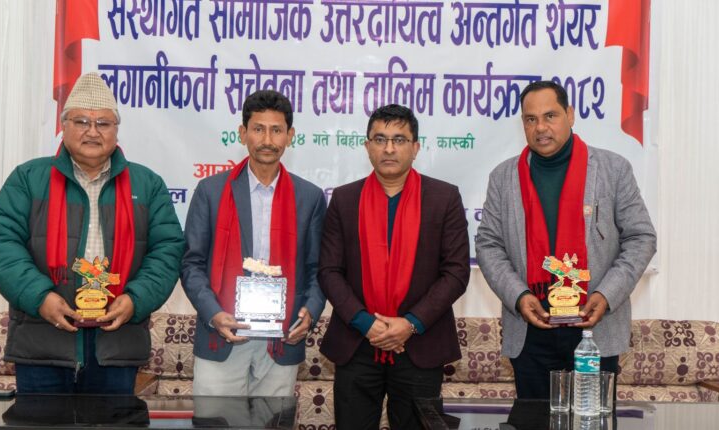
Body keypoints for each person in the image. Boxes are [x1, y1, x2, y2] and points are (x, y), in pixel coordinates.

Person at [0, 72, 185, 394]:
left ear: (116, 130)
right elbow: (0, 244)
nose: (92, 131)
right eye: (81, 122)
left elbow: (168, 251)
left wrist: (135, 299)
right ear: (64, 126)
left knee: (112, 420)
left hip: (117, 345)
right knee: (39, 421)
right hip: (42, 343)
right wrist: (40, 297)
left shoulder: (148, 185)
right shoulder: (28, 179)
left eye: (103, 123)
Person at [475, 80, 657, 399]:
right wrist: (519, 296)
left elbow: (641, 237)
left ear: (570, 115)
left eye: (550, 116)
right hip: (530, 332)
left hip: (594, 331)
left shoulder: (613, 170)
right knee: (532, 420)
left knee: (594, 419)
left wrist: (606, 294)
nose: (540, 127)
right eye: (531, 119)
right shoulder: (503, 178)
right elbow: (488, 245)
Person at [318, 104, 470, 429]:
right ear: (367, 146)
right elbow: (329, 271)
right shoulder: (344, 200)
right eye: (380, 139)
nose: (389, 148)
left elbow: (456, 272)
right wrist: (365, 323)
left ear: (415, 147)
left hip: (419, 345)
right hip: (357, 343)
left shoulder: (444, 198)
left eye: (399, 140)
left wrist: (411, 323)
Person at [181, 89, 326, 397]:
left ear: (290, 136)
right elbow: (191, 263)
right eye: (258, 129)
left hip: (283, 338)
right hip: (222, 334)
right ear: (242, 133)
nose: (267, 140)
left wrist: (311, 311)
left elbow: (318, 268)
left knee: (272, 420)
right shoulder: (210, 191)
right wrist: (213, 313)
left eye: (276, 130)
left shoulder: (310, 197)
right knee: (215, 420)